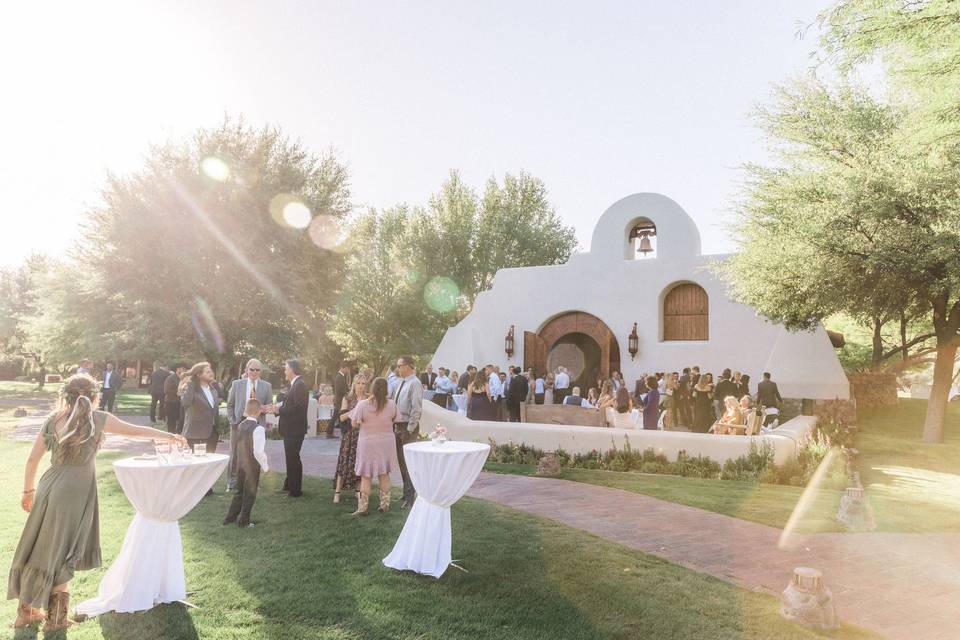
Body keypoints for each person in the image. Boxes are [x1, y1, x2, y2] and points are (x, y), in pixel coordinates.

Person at [8, 374, 184, 631]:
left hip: (48, 487)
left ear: (65, 395)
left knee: (40, 547)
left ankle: (26, 612)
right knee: (64, 551)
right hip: (75, 493)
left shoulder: (52, 419)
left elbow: (32, 460)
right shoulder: (98, 419)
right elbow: (137, 432)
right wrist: (169, 436)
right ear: (94, 396)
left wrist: (27, 492)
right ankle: (55, 620)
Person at [352, 377, 400, 516]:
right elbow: (396, 419)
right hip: (386, 442)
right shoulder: (392, 404)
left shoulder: (363, 404)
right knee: (384, 473)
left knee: (366, 475)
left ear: (372, 388)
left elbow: (354, 424)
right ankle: (384, 505)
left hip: (368, 442)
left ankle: (363, 508)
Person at [226, 359, 273, 492]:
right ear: (246, 370)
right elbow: (230, 405)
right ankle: (232, 482)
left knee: (255, 453)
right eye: (252, 369)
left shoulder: (267, 386)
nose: (254, 372)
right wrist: (232, 420)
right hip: (239, 422)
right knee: (235, 452)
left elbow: (269, 406)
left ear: (261, 372)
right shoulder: (237, 384)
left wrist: (264, 409)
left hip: (257, 424)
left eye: (257, 370)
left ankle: (252, 483)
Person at [223, 398, 270, 528]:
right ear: (259, 411)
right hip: (252, 465)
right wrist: (265, 467)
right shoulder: (258, 429)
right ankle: (244, 521)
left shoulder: (240, 425)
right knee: (250, 493)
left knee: (238, 491)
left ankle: (230, 518)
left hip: (240, 464)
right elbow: (258, 451)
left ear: (246, 411)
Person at [268, 359, 309, 498]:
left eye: (286, 368)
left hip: (295, 429)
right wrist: (278, 408)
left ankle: (295, 490)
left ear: (292, 369)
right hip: (291, 428)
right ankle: (289, 485)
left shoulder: (300, 385)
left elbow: (298, 408)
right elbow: (290, 404)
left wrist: (280, 410)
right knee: (290, 458)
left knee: (293, 459)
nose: (284, 371)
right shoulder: (295, 384)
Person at [392, 355, 423, 508]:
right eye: (397, 366)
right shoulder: (400, 382)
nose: (398, 368)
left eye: (400, 365)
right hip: (398, 426)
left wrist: (409, 429)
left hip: (408, 427)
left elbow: (416, 409)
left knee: (409, 463)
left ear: (410, 366)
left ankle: (410, 498)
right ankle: (405, 493)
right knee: (401, 462)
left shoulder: (415, 383)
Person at [179, 362, 221, 469]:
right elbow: (185, 403)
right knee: (195, 465)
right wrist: (191, 384)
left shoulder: (213, 390)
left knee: (209, 465)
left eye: (211, 371)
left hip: (212, 434)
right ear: (199, 375)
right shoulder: (190, 388)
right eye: (207, 372)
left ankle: (208, 486)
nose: (211, 373)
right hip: (195, 434)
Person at [333, 375, 367, 504]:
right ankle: (337, 492)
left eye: (363, 383)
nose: (361, 386)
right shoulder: (347, 398)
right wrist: (355, 410)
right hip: (349, 435)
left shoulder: (368, 398)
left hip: (363, 435)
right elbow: (341, 418)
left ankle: (358, 491)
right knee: (344, 463)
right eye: (358, 383)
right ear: (354, 384)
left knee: (359, 464)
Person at [330, 361, 351, 439]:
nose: (347, 371)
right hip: (339, 400)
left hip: (340, 400)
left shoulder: (341, 376)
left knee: (337, 416)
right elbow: (339, 389)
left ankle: (331, 432)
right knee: (338, 416)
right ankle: (341, 433)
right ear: (342, 368)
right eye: (346, 369)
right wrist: (347, 391)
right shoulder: (339, 377)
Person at [163, 365, 185, 434]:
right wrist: (178, 392)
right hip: (171, 402)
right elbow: (166, 390)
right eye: (182, 368)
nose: (184, 370)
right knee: (171, 420)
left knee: (181, 419)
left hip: (181, 402)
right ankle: (170, 434)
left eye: (185, 369)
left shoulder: (184, 378)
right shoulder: (170, 378)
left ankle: (178, 433)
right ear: (177, 369)